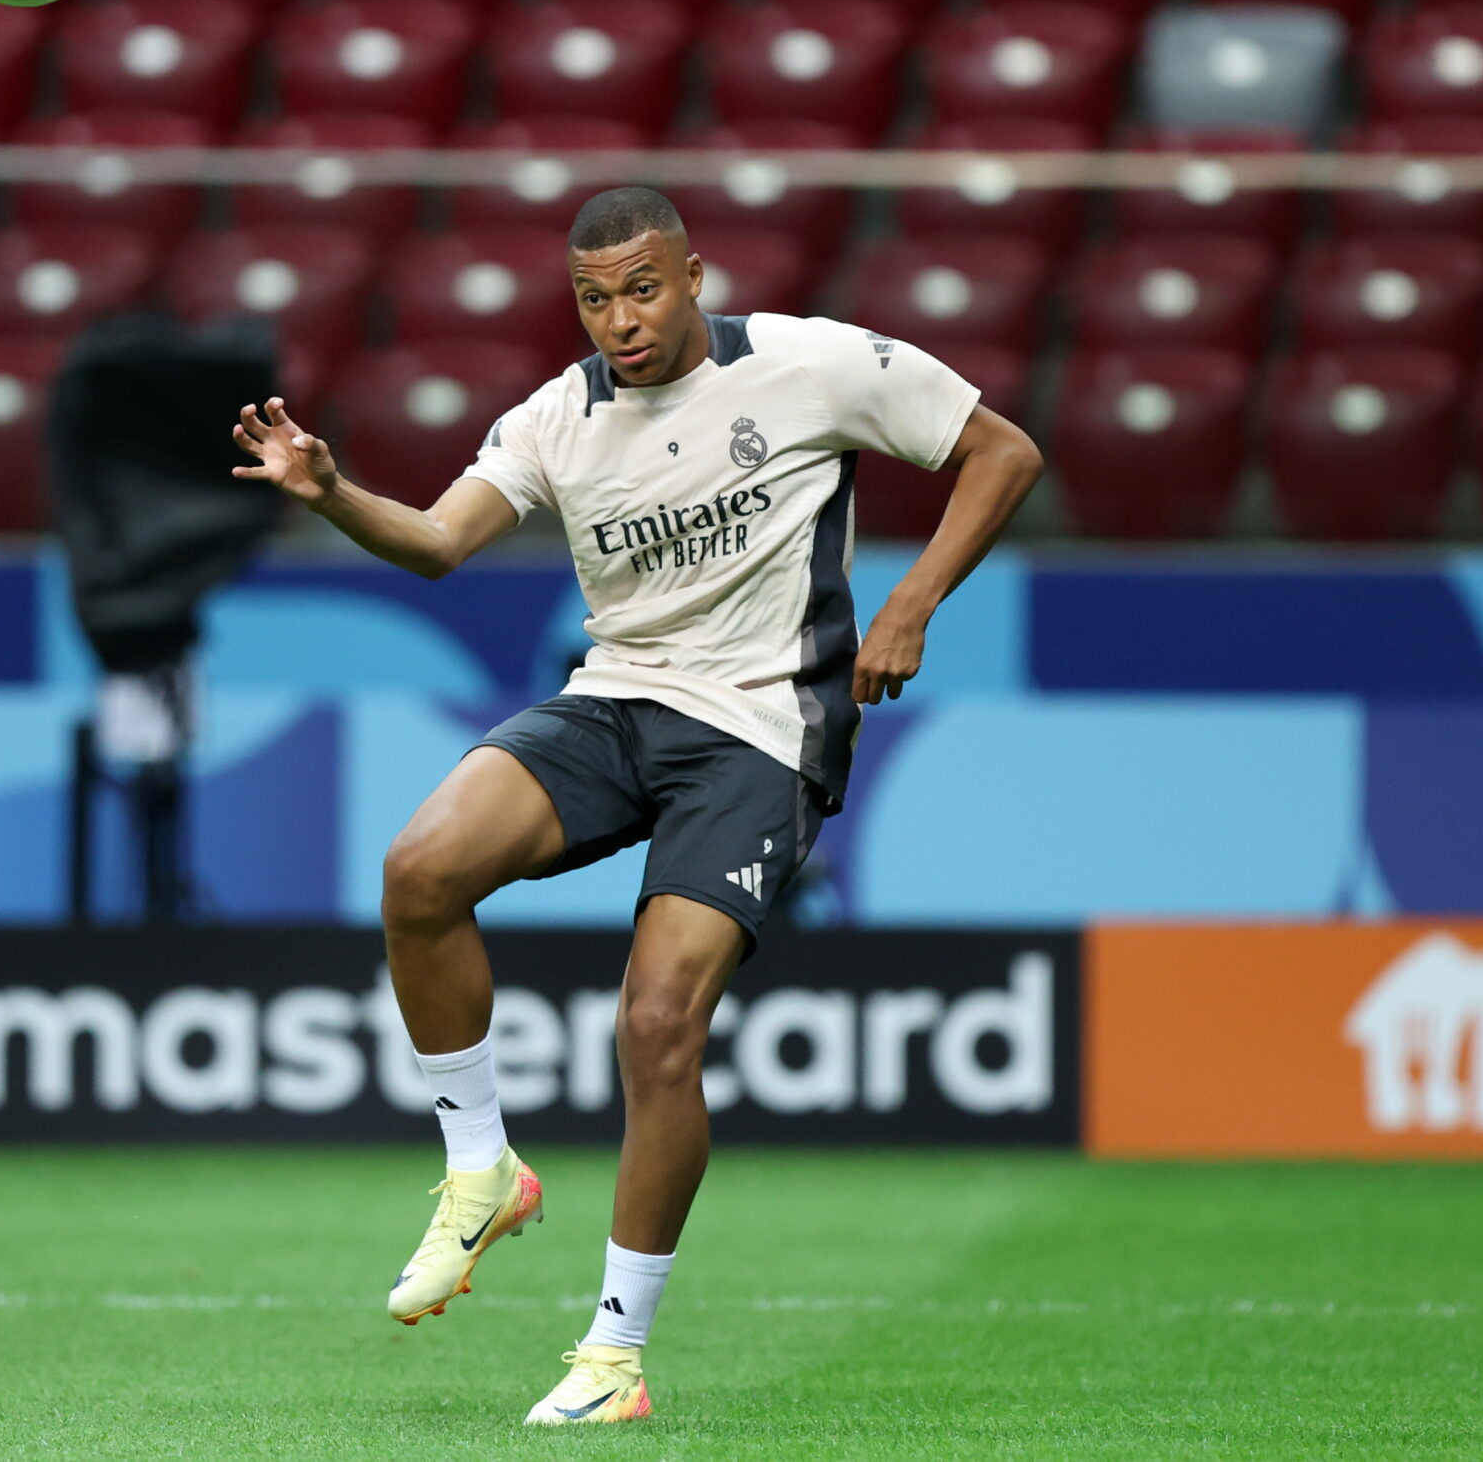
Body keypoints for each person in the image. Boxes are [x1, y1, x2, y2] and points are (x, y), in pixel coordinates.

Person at [231, 186, 1042, 1426]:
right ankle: (478, 1168)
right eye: (596, 298)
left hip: (762, 731)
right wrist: (332, 489)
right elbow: (442, 543)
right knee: (418, 872)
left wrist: (911, 602)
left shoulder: (809, 363)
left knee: (656, 1024)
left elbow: (1003, 450)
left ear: (694, 275)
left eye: (643, 288)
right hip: (618, 700)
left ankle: (614, 1357)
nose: (620, 317)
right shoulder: (556, 418)